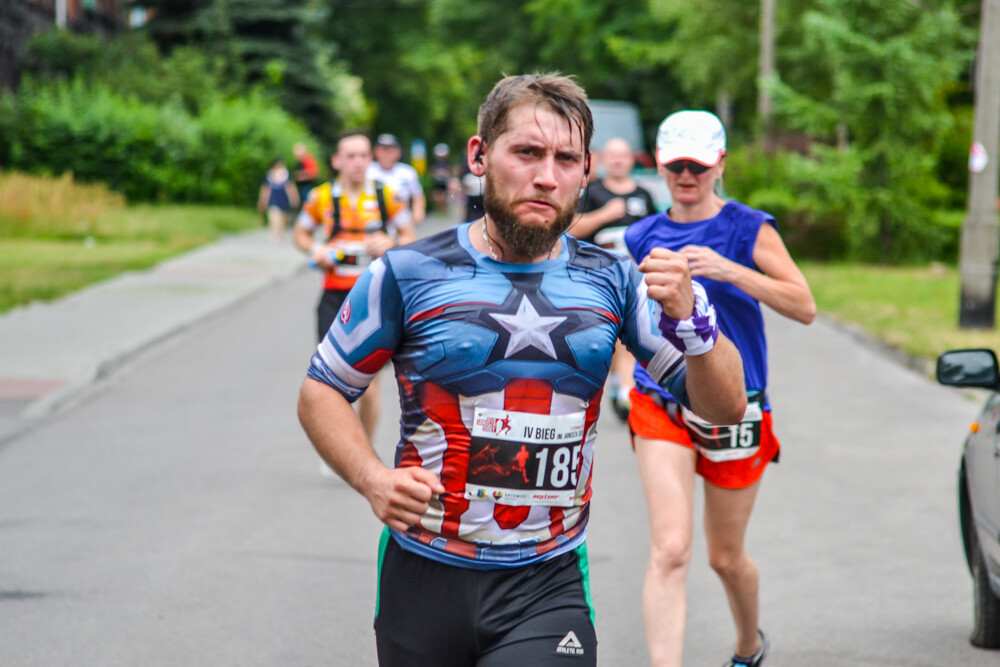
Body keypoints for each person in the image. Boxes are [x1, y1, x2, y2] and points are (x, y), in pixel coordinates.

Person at [297, 74, 747, 667]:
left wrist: (697, 323)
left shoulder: (613, 279)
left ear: (586, 171)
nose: (546, 176)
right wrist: (372, 479)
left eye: (566, 159)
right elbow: (323, 389)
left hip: (547, 581)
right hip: (423, 573)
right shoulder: (407, 273)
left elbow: (723, 405)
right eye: (527, 153)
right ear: (480, 156)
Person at [624, 110, 816, 667]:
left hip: (738, 408)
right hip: (661, 398)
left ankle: (748, 646)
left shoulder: (748, 228)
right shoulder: (642, 236)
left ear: (720, 164)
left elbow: (803, 305)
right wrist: (614, 383)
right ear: (659, 166)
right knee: (670, 550)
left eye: (698, 165)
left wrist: (729, 270)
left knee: (725, 557)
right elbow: (630, 326)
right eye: (676, 165)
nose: (687, 176)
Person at [294, 130, 415, 467]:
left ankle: (357, 451)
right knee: (332, 379)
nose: (359, 162)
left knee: (370, 386)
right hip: (334, 297)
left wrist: (391, 245)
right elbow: (300, 233)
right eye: (351, 156)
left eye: (364, 155)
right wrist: (318, 249)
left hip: (375, 298)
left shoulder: (386, 196)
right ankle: (341, 449)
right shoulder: (320, 198)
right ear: (336, 161)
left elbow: (409, 235)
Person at [572, 137, 657, 422]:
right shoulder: (592, 193)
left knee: (627, 333)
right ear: (603, 160)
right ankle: (608, 384)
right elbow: (573, 229)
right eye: (613, 156)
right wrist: (606, 215)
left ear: (632, 159)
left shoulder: (644, 195)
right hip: (595, 279)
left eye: (624, 156)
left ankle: (626, 389)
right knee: (602, 337)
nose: (619, 161)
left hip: (635, 280)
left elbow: (657, 234)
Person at [367, 133, 427, 225]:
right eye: (382, 150)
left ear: (398, 152)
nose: (386, 153)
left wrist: (418, 212)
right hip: (373, 220)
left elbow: (417, 195)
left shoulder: (407, 172)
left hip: (401, 220)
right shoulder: (368, 170)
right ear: (375, 151)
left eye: (389, 150)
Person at [257, 158, 299, 242]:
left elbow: (291, 187)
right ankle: (275, 235)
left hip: (283, 199)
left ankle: (280, 232)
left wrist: (294, 198)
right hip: (273, 200)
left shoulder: (286, 175)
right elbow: (265, 189)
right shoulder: (268, 176)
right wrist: (262, 201)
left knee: (283, 218)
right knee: (274, 217)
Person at [429, 142, 454, 210]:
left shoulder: (447, 163)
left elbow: (450, 172)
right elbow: (432, 172)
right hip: (437, 182)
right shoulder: (435, 164)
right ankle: (439, 209)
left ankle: (444, 208)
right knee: (437, 196)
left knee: (446, 196)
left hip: (445, 182)